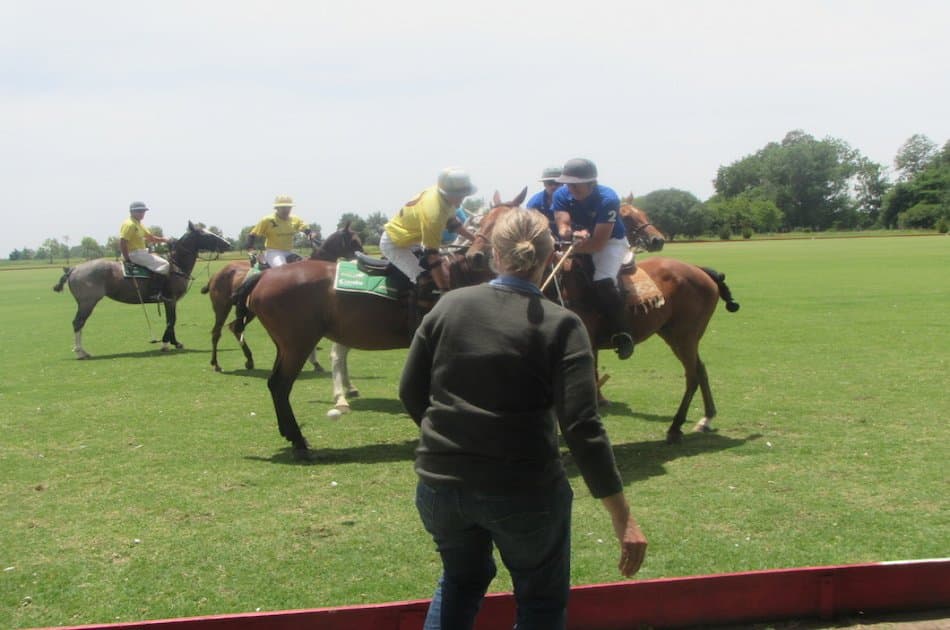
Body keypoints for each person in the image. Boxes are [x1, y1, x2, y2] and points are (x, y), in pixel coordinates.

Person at [400, 209, 647, 630]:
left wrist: (454, 442)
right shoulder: (563, 324)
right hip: (525, 492)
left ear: (494, 254)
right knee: (541, 602)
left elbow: (410, 393)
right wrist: (623, 516)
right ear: (551, 257)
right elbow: (583, 428)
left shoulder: (448, 306)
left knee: (460, 579)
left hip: (441, 487)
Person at [553, 158, 635, 360]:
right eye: (567, 183)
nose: (570, 188)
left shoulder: (608, 198)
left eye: (575, 184)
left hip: (610, 243)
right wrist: (570, 235)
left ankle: (622, 332)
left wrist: (580, 243)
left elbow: (598, 243)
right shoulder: (561, 194)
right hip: (576, 241)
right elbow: (562, 226)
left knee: (603, 281)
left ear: (591, 182)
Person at [380, 167, 477, 329]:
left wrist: (476, 239)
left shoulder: (445, 198)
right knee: (425, 280)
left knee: (444, 274)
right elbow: (432, 256)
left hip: (410, 240)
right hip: (395, 244)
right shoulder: (434, 213)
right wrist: (445, 291)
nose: (464, 198)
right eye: (461, 195)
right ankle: (420, 327)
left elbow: (453, 223)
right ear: (449, 193)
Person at [119, 200, 170, 300]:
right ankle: (155, 293)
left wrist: (165, 240)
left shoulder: (139, 224)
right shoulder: (129, 224)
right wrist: (127, 259)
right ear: (132, 212)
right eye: (139, 211)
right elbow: (122, 241)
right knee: (165, 265)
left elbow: (151, 238)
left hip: (141, 252)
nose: (142, 213)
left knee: (160, 258)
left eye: (143, 211)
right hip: (134, 254)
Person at [245, 195, 313, 267]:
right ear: (276, 208)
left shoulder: (295, 219)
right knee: (283, 269)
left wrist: (310, 234)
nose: (286, 210)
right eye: (283, 207)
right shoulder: (267, 220)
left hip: (290, 252)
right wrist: (251, 251)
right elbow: (252, 235)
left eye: (289, 207)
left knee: (306, 266)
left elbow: (307, 230)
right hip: (273, 253)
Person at [526, 165, 563, 236]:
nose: (553, 186)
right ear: (544, 184)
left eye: (557, 183)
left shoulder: (573, 200)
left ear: (563, 183)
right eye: (550, 183)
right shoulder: (534, 203)